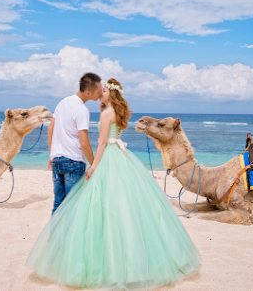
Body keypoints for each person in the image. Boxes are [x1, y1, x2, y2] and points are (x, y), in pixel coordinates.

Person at [26, 78, 200, 290]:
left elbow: (100, 143)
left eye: (105, 90)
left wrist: (92, 166)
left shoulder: (107, 113)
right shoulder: (116, 112)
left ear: (113, 94)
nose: (101, 92)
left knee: (100, 205)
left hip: (108, 156)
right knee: (125, 205)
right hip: (121, 156)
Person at [47, 72, 102, 214]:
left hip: (57, 160)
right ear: (89, 92)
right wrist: (94, 164)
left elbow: (50, 129)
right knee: (73, 206)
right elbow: (84, 143)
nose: (100, 93)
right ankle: (68, 237)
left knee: (58, 203)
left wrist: (51, 154)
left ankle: (55, 236)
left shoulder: (62, 102)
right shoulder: (82, 110)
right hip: (73, 162)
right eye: (98, 91)